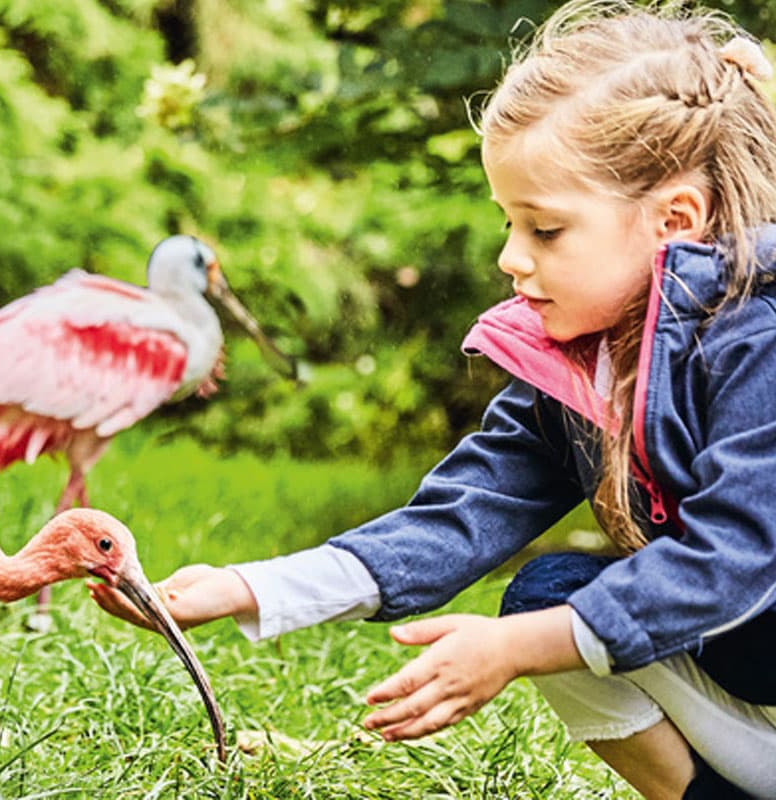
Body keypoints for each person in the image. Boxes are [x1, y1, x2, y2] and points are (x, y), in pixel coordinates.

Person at [88, 2, 776, 798]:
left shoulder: (757, 337)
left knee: (548, 625)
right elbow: (462, 513)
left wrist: (517, 650)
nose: (510, 257)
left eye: (545, 230)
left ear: (673, 221)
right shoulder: (579, 364)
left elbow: (738, 558)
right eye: (509, 222)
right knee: (550, 597)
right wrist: (252, 587)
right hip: (747, 685)